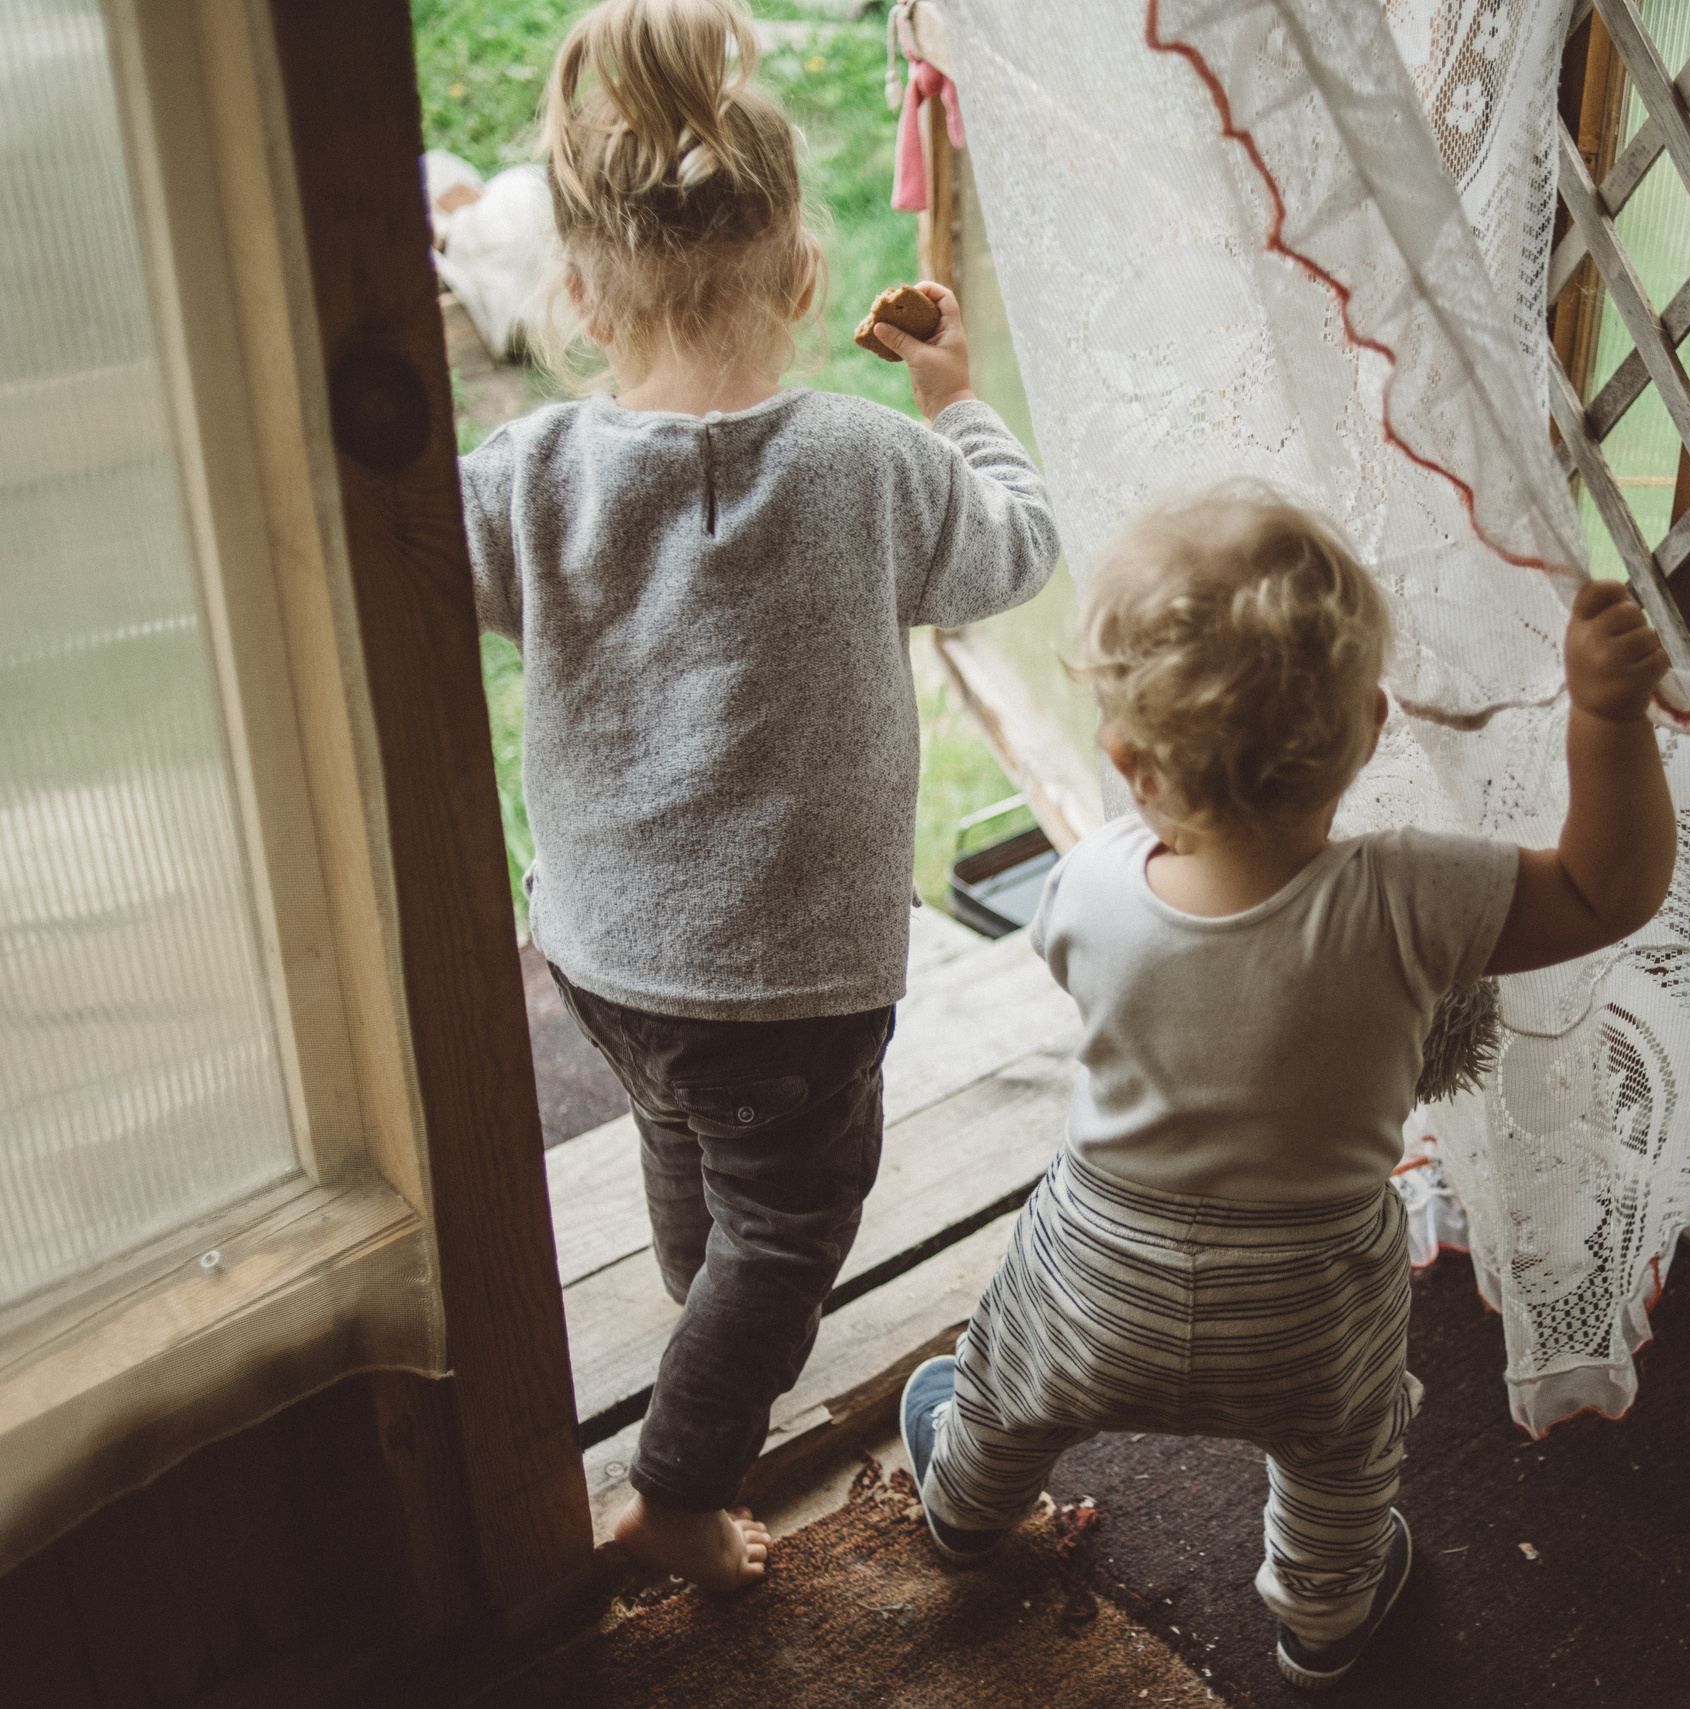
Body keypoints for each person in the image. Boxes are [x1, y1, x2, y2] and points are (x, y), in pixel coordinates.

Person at [459, 0, 1058, 1590]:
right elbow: (1020, 542)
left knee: (687, 1147)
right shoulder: (872, 466)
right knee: (791, 1232)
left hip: (601, 956)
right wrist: (954, 392)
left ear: (578, 294)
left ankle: (701, 1321)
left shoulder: (525, 480)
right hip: (793, 988)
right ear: (804, 274)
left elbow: (404, 564)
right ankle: (678, 1479)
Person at [900, 487, 1674, 1688]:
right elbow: (1605, 887)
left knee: (1005, 1382)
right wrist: (1605, 715)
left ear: (1125, 757)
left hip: (1100, 1276)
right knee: (1339, 1457)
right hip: (1307, 1304)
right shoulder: (1415, 898)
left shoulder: (1090, 885)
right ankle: (1323, 1618)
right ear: (1369, 730)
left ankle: (961, 1509)